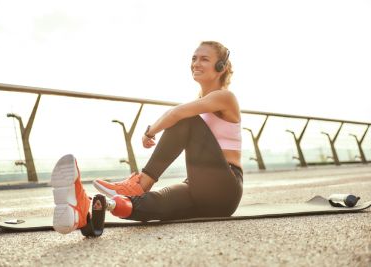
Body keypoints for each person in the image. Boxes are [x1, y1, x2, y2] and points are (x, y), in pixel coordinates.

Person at [51, 41, 243, 234]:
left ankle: (141, 183)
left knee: (186, 120)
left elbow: (177, 114)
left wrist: (150, 132)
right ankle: (87, 210)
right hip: (201, 191)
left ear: (221, 67)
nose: (196, 63)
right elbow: (176, 114)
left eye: (204, 59)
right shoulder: (202, 103)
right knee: (155, 203)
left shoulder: (225, 97)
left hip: (225, 187)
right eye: (194, 58)